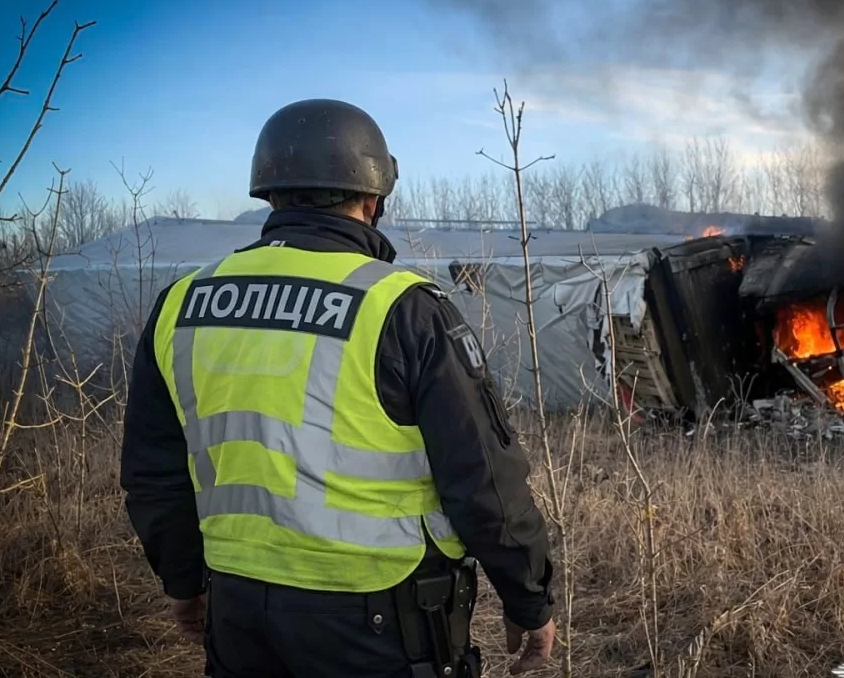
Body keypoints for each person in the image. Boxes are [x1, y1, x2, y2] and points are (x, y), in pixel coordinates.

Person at [120, 98, 557, 677]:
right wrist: (528, 597)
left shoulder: (183, 304)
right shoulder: (402, 307)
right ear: (373, 200)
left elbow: (155, 470)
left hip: (238, 608)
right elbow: (482, 475)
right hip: (379, 617)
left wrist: (183, 580)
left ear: (269, 196)